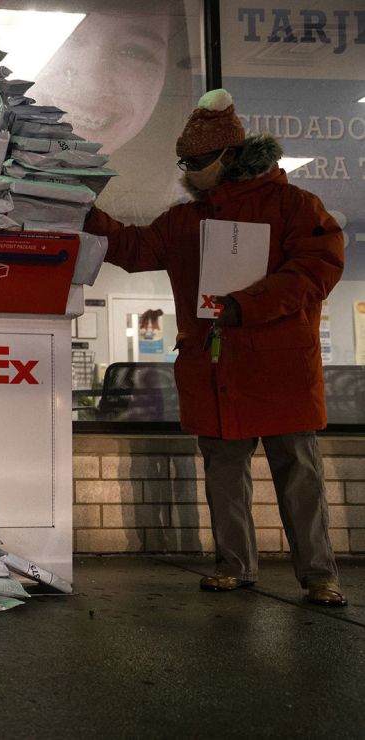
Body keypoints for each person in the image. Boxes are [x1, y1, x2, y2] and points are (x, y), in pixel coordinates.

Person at [84, 89, 347, 606]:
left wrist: (246, 305)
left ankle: (319, 576)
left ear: (230, 156)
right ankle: (235, 565)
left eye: (200, 162)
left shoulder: (296, 206)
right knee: (227, 475)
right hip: (218, 368)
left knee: (298, 475)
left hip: (277, 369)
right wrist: (85, 210)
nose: (191, 170)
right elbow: (134, 248)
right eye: (186, 162)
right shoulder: (188, 219)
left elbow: (317, 269)